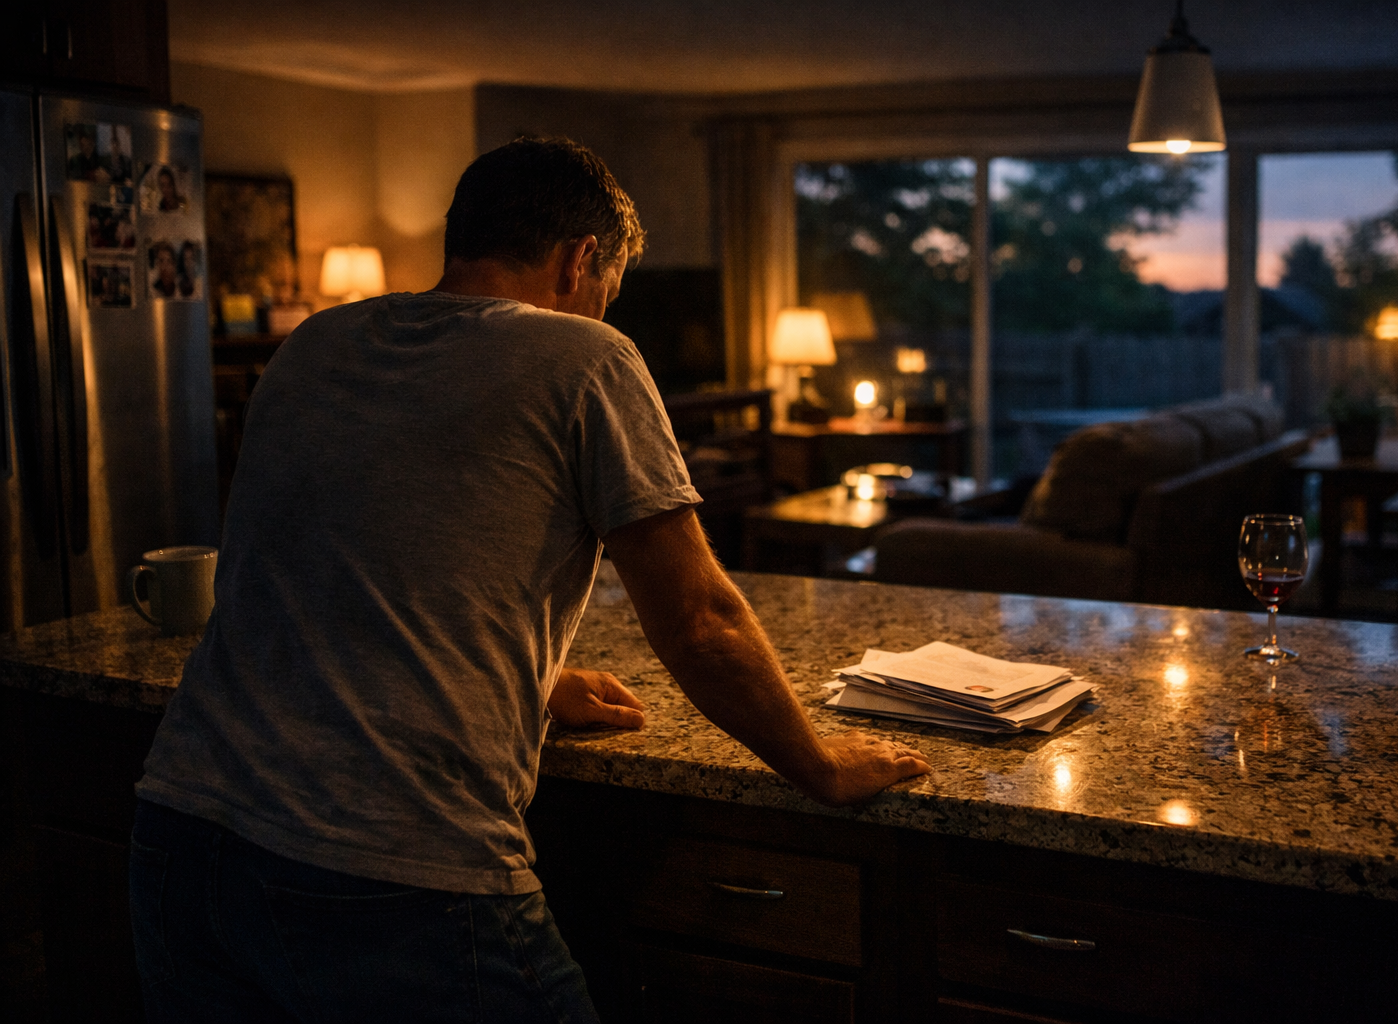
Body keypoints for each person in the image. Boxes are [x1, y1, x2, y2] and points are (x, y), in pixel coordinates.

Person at [128, 136, 930, 1023]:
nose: (601, 312)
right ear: (582, 259)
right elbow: (699, 621)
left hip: (184, 838)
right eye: (607, 292)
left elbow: (331, 566)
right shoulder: (586, 358)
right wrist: (821, 766)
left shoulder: (315, 344)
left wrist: (531, 679)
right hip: (389, 865)